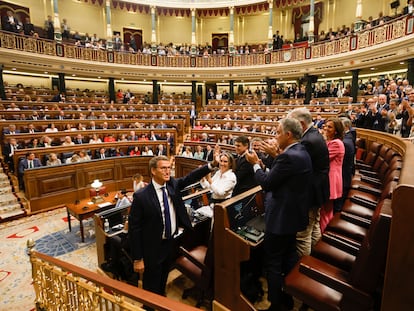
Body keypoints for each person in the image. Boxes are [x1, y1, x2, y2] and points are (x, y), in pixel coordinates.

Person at [129, 155, 218, 308]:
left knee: (164, 275)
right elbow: (134, 228)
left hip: (170, 242)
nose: (167, 171)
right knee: (151, 282)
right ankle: (149, 306)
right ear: (153, 171)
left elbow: (190, 177)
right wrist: (137, 258)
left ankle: (160, 300)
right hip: (152, 248)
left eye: (169, 168)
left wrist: (211, 165)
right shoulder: (141, 196)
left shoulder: (172, 185)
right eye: (163, 168)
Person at [245, 118, 312, 311]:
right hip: (293, 216)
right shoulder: (301, 152)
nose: (275, 136)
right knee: (290, 256)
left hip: (281, 218)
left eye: (277, 133)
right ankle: (290, 296)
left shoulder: (287, 156)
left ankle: (277, 305)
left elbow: (266, 183)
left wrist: (256, 165)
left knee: (273, 262)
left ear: (288, 134)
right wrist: (273, 159)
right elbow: (280, 178)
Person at [288, 107, 330, 257]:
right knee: (314, 227)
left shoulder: (307, 141)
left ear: (301, 124)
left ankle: (303, 268)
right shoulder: (314, 134)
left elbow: (296, 168)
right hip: (318, 191)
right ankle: (316, 257)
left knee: (302, 235)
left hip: (310, 194)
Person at [320, 118, 345, 233]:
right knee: (326, 210)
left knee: (326, 211)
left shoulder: (337, 143)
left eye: (330, 127)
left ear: (336, 131)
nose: (326, 128)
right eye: (325, 126)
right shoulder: (330, 141)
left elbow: (322, 158)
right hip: (328, 178)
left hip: (331, 179)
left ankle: (324, 235)